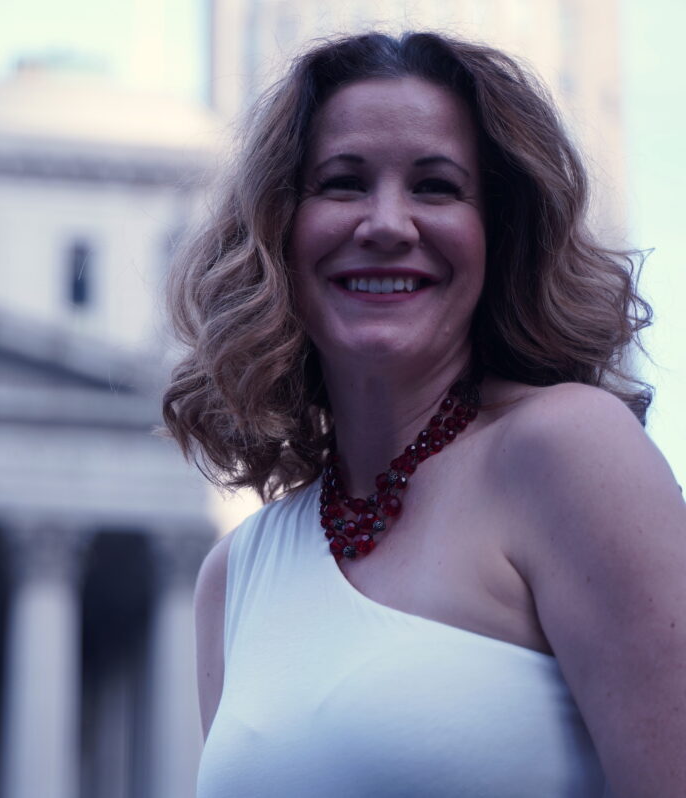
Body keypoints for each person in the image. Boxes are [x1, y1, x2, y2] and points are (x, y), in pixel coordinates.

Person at [162, 31, 685, 797]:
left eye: (436, 187)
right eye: (342, 183)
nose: (386, 223)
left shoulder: (569, 451)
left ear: (496, 234)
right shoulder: (234, 577)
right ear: (279, 230)